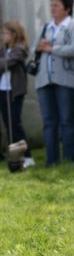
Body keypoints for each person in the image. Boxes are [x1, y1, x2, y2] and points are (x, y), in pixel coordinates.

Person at [35, 0, 74, 166]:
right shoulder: (46, 27)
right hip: (44, 79)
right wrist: (40, 47)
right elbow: (36, 47)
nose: (53, 9)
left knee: (67, 120)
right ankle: (51, 160)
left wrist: (52, 48)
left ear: (67, 8)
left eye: (57, 5)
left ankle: (70, 159)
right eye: (51, 5)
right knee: (48, 122)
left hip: (66, 80)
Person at [0, 21, 33, 167]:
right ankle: (13, 155)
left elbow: (8, 63)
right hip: (2, 90)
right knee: (8, 124)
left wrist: (3, 62)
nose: (2, 36)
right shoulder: (3, 50)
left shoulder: (20, 49)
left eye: (5, 33)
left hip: (14, 92)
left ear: (13, 35)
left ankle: (27, 156)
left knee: (15, 124)